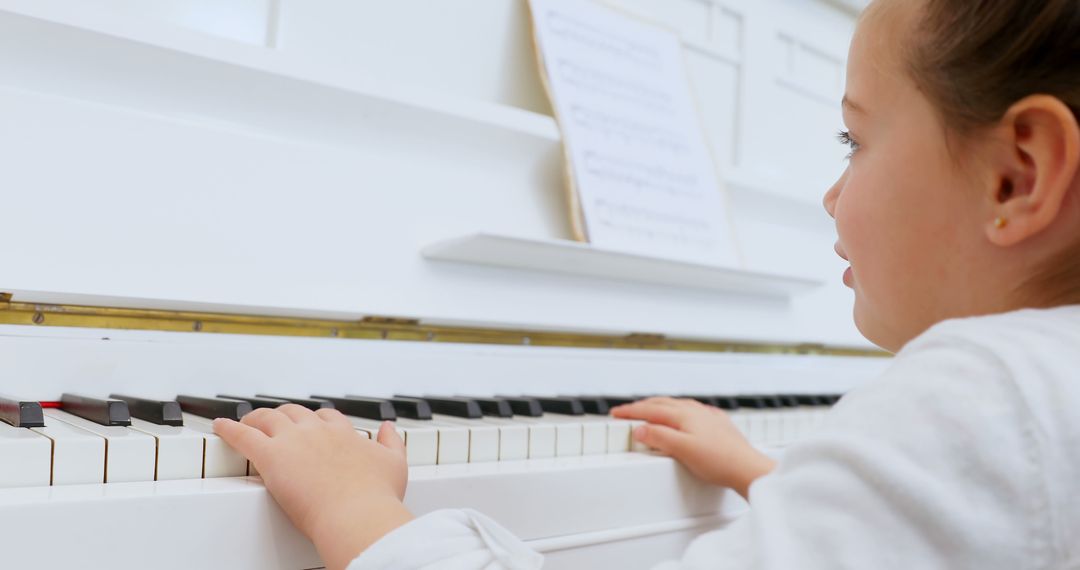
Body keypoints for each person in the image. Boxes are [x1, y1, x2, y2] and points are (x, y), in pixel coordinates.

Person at [213, 0, 1080, 567]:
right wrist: (765, 476)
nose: (831, 193)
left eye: (854, 140)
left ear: (1018, 176)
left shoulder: (986, 392)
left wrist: (358, 512)